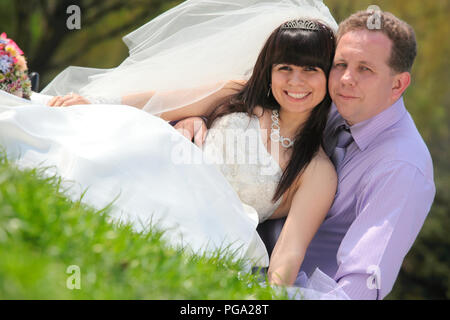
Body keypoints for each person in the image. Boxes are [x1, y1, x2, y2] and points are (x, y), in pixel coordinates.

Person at [0, 6, 343, 291]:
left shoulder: (317, 171)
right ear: (269, 71)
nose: (296, 82)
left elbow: (289, 250)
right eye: (285, 68)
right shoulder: (239, 93)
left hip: (210, 220)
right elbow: (163, 102)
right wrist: (93, 101)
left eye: (310, 70)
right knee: (84, 141)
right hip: (163, 161)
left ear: (328, 76)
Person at [174, 10, 436, 299]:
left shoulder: (401, 167)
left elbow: (359, 288)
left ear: (398, 84)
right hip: (233, 235)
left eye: (365, 69)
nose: (347, 79)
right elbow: (250, 108)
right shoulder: (328, 102)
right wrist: (201, 119)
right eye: (340, 64)